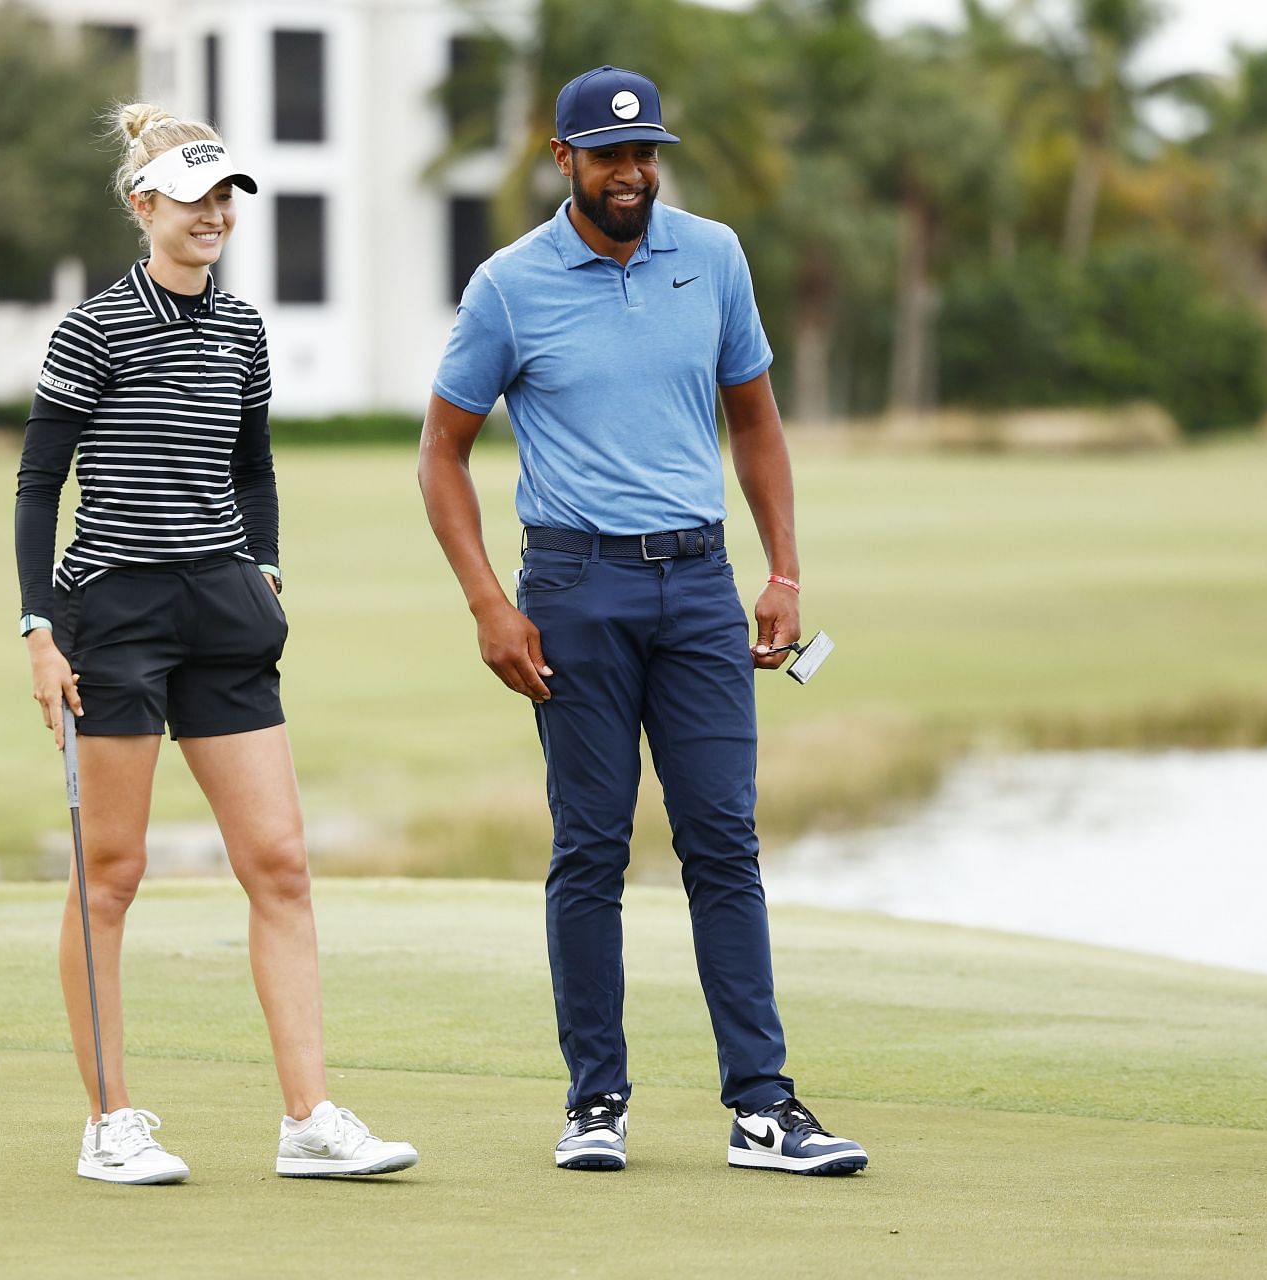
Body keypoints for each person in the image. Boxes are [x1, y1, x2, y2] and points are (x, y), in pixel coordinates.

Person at [418, 66, 868, 1176]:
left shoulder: (711, 256)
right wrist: (490, 603)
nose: (632, 174)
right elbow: (442, 453)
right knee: (592, 847)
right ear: (563, 160)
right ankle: (595, 1101)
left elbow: (756, 423)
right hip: (573, 591)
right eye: (609, 155)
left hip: (701, 584)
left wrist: (787, 572)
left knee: (725, 840)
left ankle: (763, 1106)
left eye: (645, 154)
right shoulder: (509, 285)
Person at [15, 102, 417, 1185]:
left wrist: (267, 565)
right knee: (113, 870)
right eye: (190, 196)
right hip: (117, 613)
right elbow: (39, 482)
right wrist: (37, 628)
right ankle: (110, 1120)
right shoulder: (93, 328)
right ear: (142, 205)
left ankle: (309, 1117)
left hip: (223, 611)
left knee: (281, 861)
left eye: (223, 193)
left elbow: (253, 464)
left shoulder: (241, 331)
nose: (212, 213)